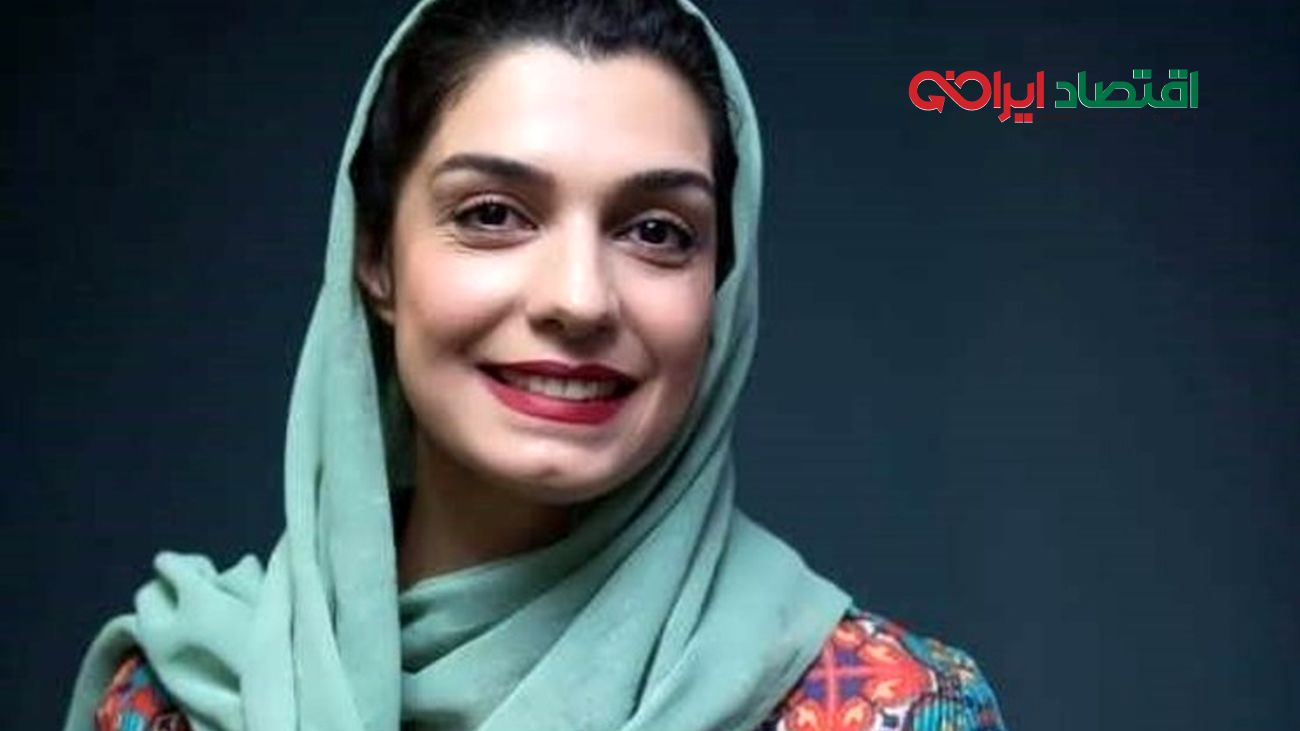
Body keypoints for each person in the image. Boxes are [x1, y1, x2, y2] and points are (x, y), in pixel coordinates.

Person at [62, 1, 1009, 730]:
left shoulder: (893, 709)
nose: (580, 298)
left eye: (656, 231)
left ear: (722, 286)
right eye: (493, 214)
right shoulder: (182, 699)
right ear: (375, 257)